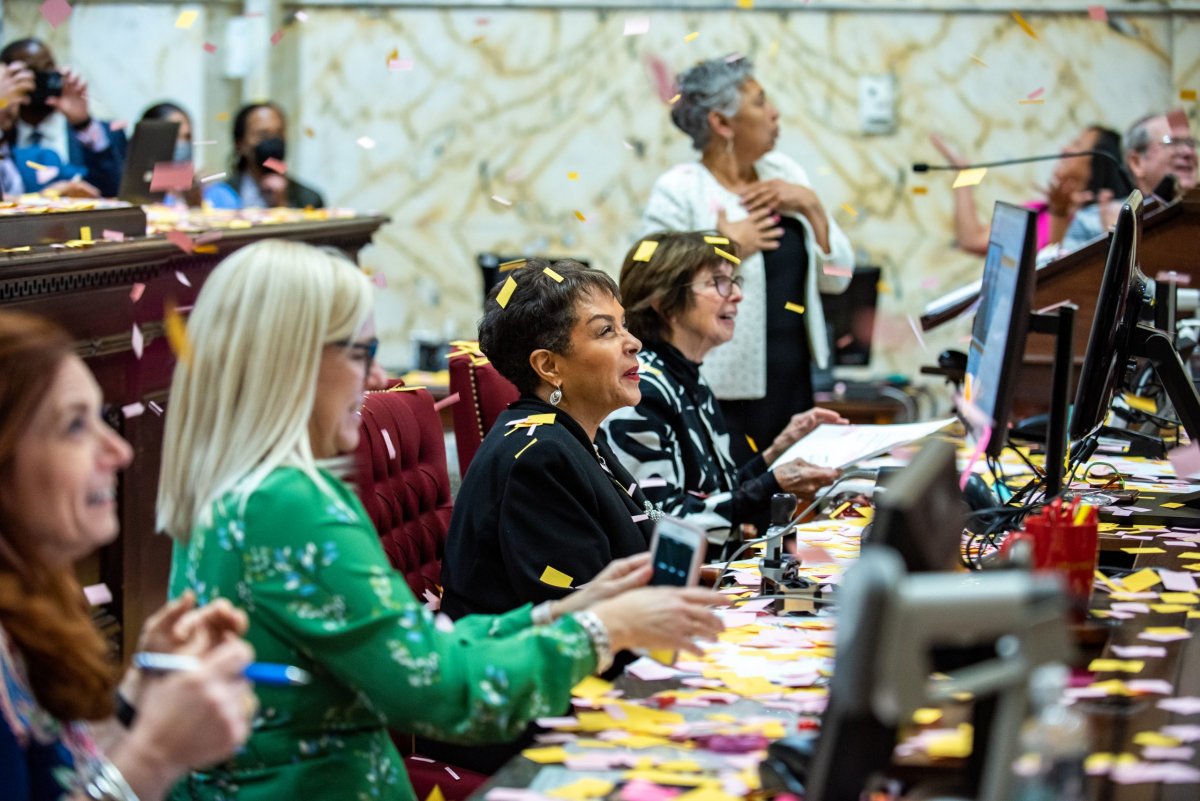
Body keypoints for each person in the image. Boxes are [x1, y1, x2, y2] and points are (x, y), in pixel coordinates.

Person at [157, 241, 723, 801]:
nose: (378, 373)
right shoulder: (286, 503)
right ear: (291, 362)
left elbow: (422, 644)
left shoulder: (241, 486)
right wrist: (604, 629)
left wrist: (564, 609)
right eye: (359, 352)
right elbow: (440, 691)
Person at [0, 310, 256, 801]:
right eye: (76, 426)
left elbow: (57, 775)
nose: (119, 450)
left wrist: (142, 688)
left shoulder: (34, 600)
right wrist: (155, 757)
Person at [643, 55, 855, 466]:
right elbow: (649, 285)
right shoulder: (679, 190)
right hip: (718, 388)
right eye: (759, 102)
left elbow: (838, 279)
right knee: (736, 510)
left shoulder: (784, 172)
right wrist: (726, 246)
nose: (774, 112)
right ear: (722, 123)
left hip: (794, 381)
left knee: (791, 503)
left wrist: (811, 206)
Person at [440, 260, 658, 621]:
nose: (633, 343)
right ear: (549, 366)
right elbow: (584, 618)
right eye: (606, 331)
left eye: (624, 326)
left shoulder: (569, 432)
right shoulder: (539, 458)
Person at [603, 231, 844, 541]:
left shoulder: (686, 378)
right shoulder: (641, 389)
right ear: (665, 303)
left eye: (734, 280)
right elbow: (658, 515)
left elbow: (714, 495)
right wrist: (774, 483)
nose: (737, 294)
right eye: (718, 281)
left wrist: (775, 453)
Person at [929, 126, 1131, 256]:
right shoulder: (1036, 213)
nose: (1065, 149)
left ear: (1097, 165)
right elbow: (971, 239)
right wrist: (964, 172)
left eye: (1077, 145)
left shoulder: (1100, 218)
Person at [0, 38, 126, 197]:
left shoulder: (45, 155)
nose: (40, 79)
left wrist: (83, 124)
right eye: (28, 72)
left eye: (48, 68)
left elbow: (113, 192)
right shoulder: (9, 142)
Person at [1061, 111, 1198, 253]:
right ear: (1136, 162)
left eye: (1191, 143)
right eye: (1172, 143)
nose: (1188, 152)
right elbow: (1063, 274)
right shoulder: (1091, 222)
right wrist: (1113, 244)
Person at [203, 102, 324, 209]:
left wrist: (282, 205)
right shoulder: (222, 195)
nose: (273, 141)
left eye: (278, 134)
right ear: (241, 145)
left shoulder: (309, 199)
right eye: (263, 135)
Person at [139, 101, 201, 206]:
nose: (182, 144)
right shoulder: (135, 193)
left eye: (187, 137)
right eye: (174, 137)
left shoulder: (202, 191)